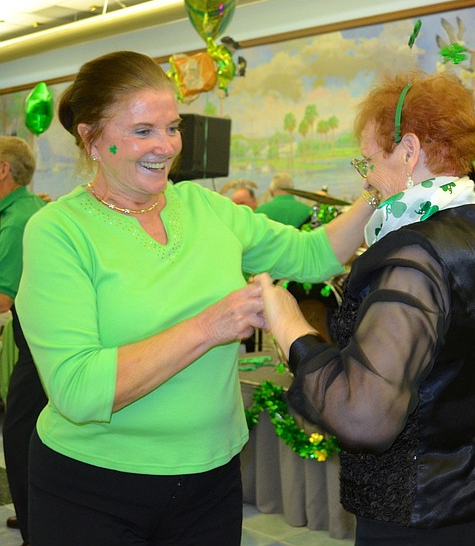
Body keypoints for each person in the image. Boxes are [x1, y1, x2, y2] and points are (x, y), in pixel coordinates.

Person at [14, 50, 372, 545]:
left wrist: (377, 188)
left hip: (210, 479)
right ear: (91, 138)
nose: (165, 146)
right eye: (143, 131)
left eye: (172, 127)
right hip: (93, 487)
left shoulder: (205, 207)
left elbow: (316, 255)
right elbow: (77, 389)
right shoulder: (58, 231)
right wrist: (211, 326)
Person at [257, 69, 475, 546]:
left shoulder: (414, 254)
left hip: (413, 506)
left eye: (369, 163)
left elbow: (364, 415)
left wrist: (292, 329)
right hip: (471, 489)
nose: (368, 181)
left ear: (409, 151)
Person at [0, 136, 47, 546]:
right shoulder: (28, 207)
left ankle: (36, 526)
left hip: (40, 344)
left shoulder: (16, 220)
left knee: (17, 434)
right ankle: (36, 514)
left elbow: (4, 294)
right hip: (39, 337)